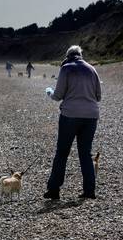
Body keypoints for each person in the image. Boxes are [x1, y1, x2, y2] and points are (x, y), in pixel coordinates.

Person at [43, 45, 101, 200]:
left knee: (62, 153)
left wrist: (49, 92)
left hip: (70, 115)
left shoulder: (66, 68)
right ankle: (89, 191)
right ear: (80, 55)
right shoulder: (92, 69)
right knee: (85, 153)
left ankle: (54, 190)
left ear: (67, 56)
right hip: (91, 115)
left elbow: (58, 95)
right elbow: (98, 96)